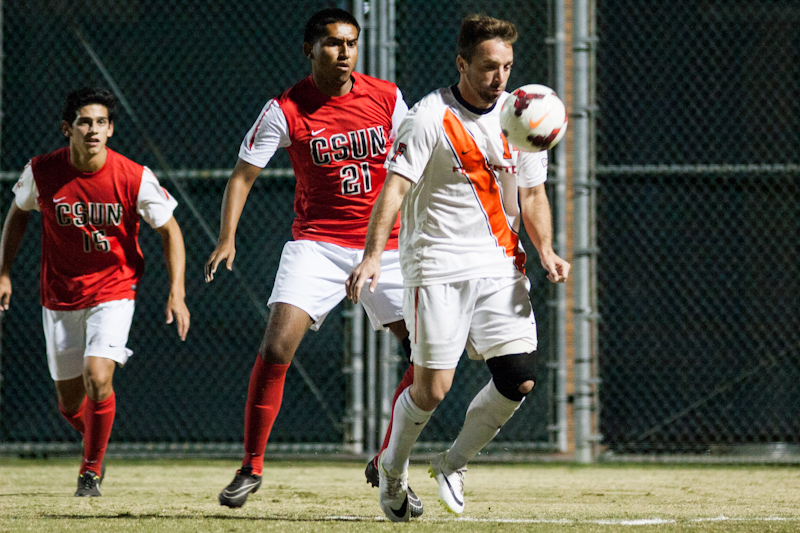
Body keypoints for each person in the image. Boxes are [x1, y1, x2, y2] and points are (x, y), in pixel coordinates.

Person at [346, 14, 570, 521]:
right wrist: (374, 255)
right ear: (462, 63)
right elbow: (395, 190)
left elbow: (532, 194)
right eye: (489, 66)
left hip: (500, 265)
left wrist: (548, 251)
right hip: (436, 267)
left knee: (518, 377)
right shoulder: (428, 117)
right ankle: (392, 473)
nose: (500, 77)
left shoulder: (523, 115)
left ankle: (452, 462)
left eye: (508, 66)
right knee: (432, 390)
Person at [204, 8, 420, 514]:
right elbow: (241, 177)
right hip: (317, 245)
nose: (343, 52)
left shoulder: (387, 98)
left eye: (350, 42)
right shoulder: (285, 108)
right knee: (277, 346)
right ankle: (251, 466)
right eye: (331, 43)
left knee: (428, 354)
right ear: (309, 50)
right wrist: (226, 238)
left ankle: (391, 456)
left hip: (385, 247)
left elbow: (417, 158)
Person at [0, 87, 190, 497]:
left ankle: (90, 469)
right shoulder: (43, 171)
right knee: (70, 404)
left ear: (111, 129)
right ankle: (98, 440)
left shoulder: (133, 176)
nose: (93, 129)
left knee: (97, 376)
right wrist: (4, 273)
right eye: (85, 122)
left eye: (101, 122)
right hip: (60, 294)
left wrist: (177, 291)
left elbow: (170, 230)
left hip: (114, 290)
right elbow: (18, 214)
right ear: (68, 128)